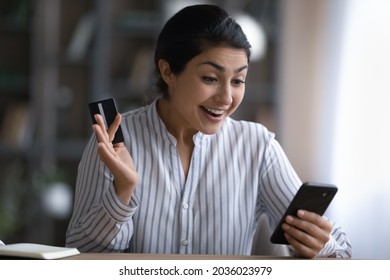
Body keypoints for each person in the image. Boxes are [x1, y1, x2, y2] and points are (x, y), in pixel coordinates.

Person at [66, 4, 352, 258]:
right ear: (167, 72)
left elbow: (340, 249)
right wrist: (122, 191)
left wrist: (320, 246)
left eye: (238, 80)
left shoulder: (257, 146)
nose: (226, 97)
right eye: (210, 78)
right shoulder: (115, 140)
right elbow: (81, 252)